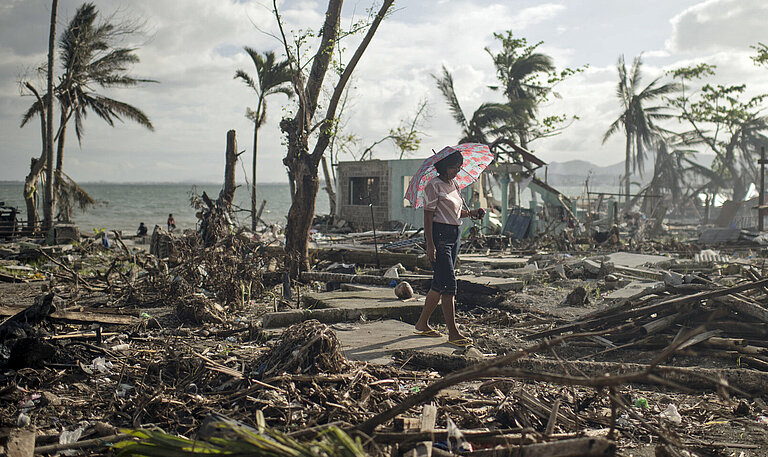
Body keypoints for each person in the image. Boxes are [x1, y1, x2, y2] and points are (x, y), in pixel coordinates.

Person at [414, 150, 484, 347]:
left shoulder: (454, 185)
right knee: (449, 285)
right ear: (444, 167)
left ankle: (422, 323)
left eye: (459, 167)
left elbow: (455, 212)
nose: (457, 170)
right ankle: (453, 332)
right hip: (440, 236)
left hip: (455, 235)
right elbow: (428, 217)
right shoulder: (433, 186)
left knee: (439, 283)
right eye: (454, 167)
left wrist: (472, 213)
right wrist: (430, 244)